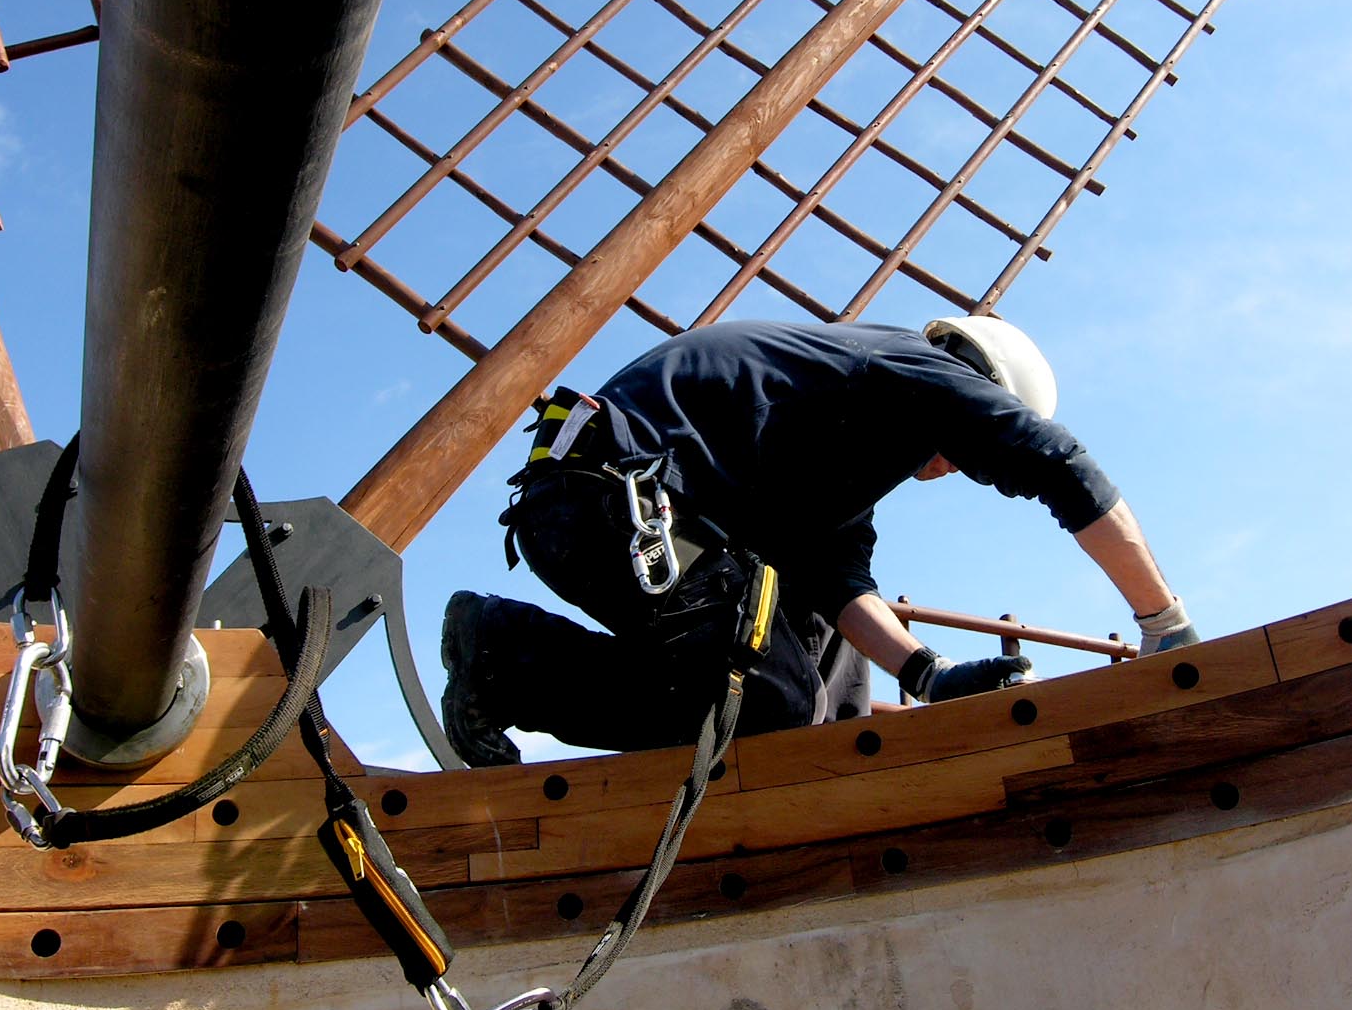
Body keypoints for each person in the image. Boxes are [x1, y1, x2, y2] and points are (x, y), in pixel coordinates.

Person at [439, 316, 1198, 767]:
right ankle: (506, 659)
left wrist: (929, 676)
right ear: (980, 387)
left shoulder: (841, 423)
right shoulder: (919, 372)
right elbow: (1060, 466)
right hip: (624, 508)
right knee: (769, 699)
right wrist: (1166, 626)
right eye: (965, 455)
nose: (952, 470)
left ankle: (513, 664)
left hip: (575, 511)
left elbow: (837, 581)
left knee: (800, 644)